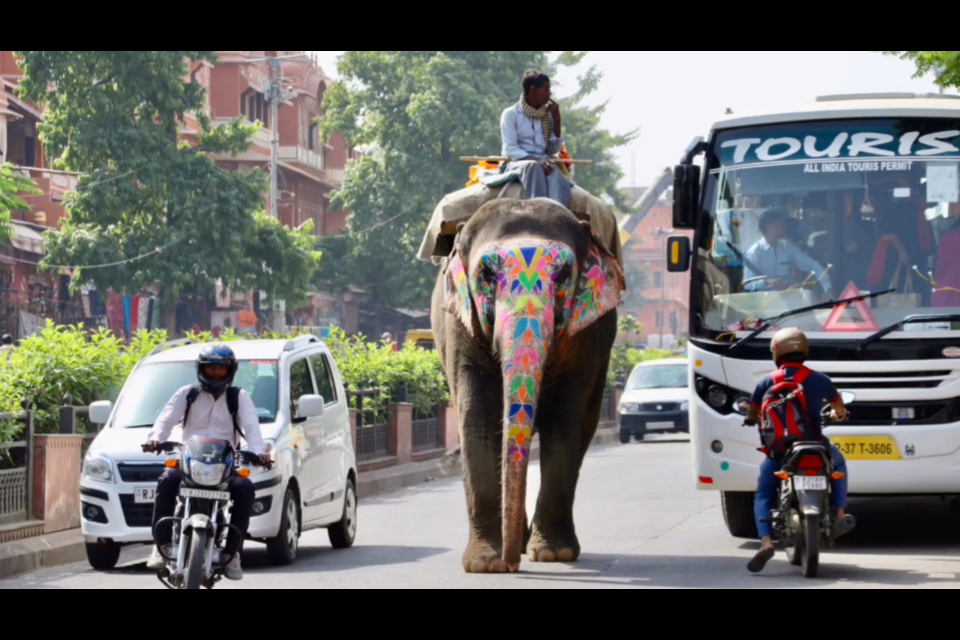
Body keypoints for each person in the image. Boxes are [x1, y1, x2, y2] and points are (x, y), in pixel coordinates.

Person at [144, 344, 269, 580]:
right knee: (167, 480)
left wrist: (259, 453)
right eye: (210, 369)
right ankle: (160, 547)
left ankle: (233, 554)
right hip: (190, 463)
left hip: (224, 468)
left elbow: (252, 429)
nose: (215, 374)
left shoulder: (239, 397)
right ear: (200, 369)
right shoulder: (187, 394)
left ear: (231, 371)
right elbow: (165, 420)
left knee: (245, 488)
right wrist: (155, 440)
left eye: (220, 370)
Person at [744, 328, 855, 574]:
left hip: (781, 451)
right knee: (839, 465)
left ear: (777, 351)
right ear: (804, 350)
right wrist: (838, 414)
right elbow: (839, 408)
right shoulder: (819, 379)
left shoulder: (766, 381)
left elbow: (752, 412)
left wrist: (750, 418)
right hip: (815, 444)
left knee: (763, 493)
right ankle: (839, 511)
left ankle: (765, 542)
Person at [497, 69, 572, 208]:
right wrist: (537, 160)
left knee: (556, 173)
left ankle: (559, 216)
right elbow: (511, 150)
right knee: (533, 167)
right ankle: (538, 212)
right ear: (533, 90)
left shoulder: (547, 115)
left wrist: (557, 119)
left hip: (544, 162)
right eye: (546, 89)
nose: (550, 94)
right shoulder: (510, 114)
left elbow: (554, 149)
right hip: (518, 163)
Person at [743, 208, 834, 300]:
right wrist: (766, 282)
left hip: (788, 299)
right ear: (770, 227)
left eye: (782, 224)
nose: (783, 227)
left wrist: (827, 289)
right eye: (778, 224)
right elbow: (748, 284)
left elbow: (813, 265)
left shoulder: (788, 247)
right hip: (764, 304)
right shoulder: (754, 253)